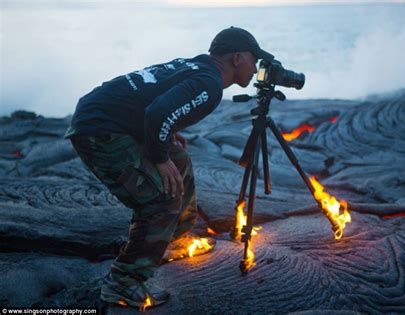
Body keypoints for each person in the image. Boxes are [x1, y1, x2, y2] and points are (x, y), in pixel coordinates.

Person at [64, 26, 274, 308]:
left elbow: (156, 99)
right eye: (254, 59)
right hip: (100, 130)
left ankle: (173, 238)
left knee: (180, 158)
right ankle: (123, 283)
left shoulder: (197, 65)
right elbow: (157, 112)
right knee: (161, 200)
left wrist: (166, 135)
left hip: (108, 116)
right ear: (237, 58)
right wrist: (159, 157)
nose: (256, 66)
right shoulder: (210, 84)